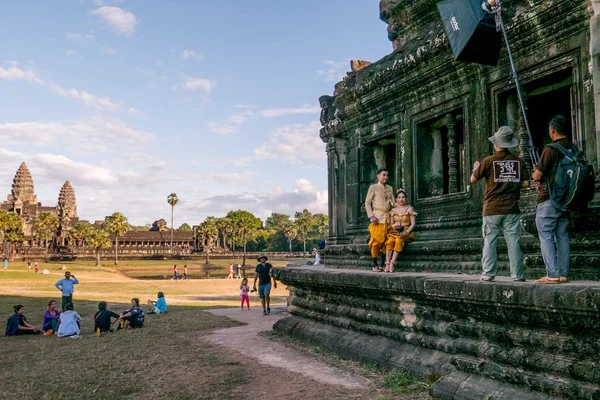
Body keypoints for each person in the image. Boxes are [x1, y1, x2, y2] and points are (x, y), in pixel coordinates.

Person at [471, 126, 528, 282]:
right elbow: (526, 183)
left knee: (490, 242)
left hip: (492, 208)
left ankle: (488, 273)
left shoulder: (488, 161)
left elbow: (473, 180)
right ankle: (517, 275)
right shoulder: (518, 161)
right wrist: (510, 180)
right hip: (512, 208)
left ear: (496, 144)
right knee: (514, 243)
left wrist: (475, 169)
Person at [532, 115, 573, 284]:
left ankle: (552, 274)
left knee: (546, 235)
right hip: (567, 200)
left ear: (552, 130)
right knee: (562, 235)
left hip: (549, 199)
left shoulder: (550, 149)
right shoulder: (573, 149)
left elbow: (537, 175)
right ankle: (563, 274)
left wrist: (536, 174)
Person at [365, 168, 394, 272]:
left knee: (386, 242)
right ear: (378, 176)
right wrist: (371, 216)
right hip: (377, 218)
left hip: (388, 218)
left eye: (387, 175)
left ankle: (382, 263)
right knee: (376, 242)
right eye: (384, 175)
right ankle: (374, 263)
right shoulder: (373, 187)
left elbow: (393, 202)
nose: (386, 177)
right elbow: (367, 203)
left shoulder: (390, 188)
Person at [385, 190, 417, 272]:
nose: (401, 199)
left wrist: (406, 232)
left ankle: (392, 263)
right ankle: (387, 264)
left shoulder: (409, 208)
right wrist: (394, 225)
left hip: (405, 231)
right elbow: (392, 224)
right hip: (395, 231)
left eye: (403, 197)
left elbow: (413, 224)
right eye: (399, 197)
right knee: (390, 241)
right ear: (396, 199)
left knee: (399, 240)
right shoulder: (393, 211)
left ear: (406, 199)